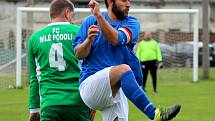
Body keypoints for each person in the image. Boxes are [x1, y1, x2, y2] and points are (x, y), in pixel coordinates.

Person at [73, 0, 181, 121]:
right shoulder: (90, 21)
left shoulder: (132, 23)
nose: (128, 4)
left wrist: (98, 17)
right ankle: (154, 114)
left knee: (122, 73)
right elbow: (78, 54)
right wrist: (88, 40)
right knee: (123, 69)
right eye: (124, 0)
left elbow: (116, 39)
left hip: (116, 88)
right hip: (90, 86)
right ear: (110, 1)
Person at [27, 0, 90, 121]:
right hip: (78, 102)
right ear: (67, 13)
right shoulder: (80, 33)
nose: (72, 19)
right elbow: (90, 69)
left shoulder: (34, 38)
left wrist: (34, 109)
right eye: (72, 15)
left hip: (49, 104)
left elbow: (34, 78)